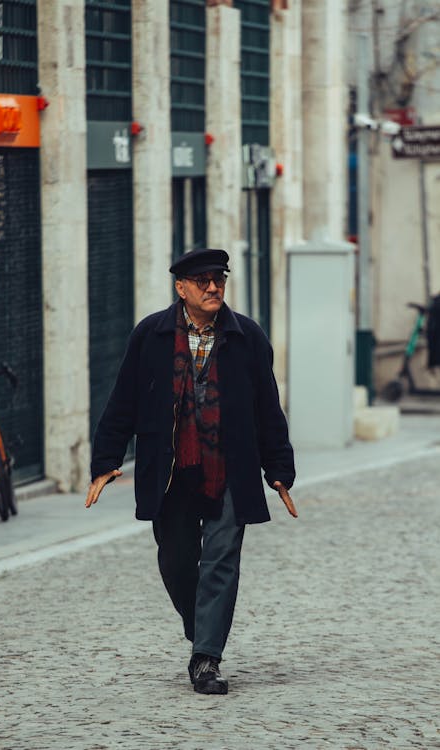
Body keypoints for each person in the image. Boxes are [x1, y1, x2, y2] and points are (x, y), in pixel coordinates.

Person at [86, 247, 296, 696]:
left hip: (230, 470)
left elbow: (267, 409)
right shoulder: (151, 335)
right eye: (202, 280)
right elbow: (124, 401)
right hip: (172, 472)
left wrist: (278, 470)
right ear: (180, 288)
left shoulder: (248, 337)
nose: (213, 287)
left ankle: (206, 658)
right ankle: (203, 626)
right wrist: (105, 460)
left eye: (219, 278)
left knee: (221, 560)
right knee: (177, 561)